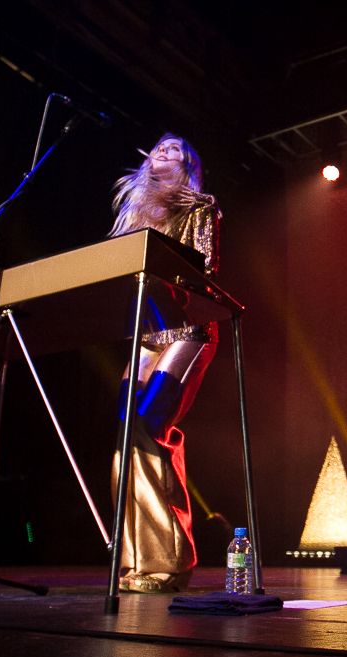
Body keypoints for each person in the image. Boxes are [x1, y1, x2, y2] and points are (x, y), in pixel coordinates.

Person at [109, 133, 222, 593]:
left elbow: (204, 270)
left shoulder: (201, 208)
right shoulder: (133, 217)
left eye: (176, 148)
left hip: (188, 328)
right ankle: (136, 558)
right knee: (124, 430)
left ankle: (167, 560)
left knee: (148, 423)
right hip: (147, 332)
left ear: (189, 164)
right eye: (159, 145)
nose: (164, 150)